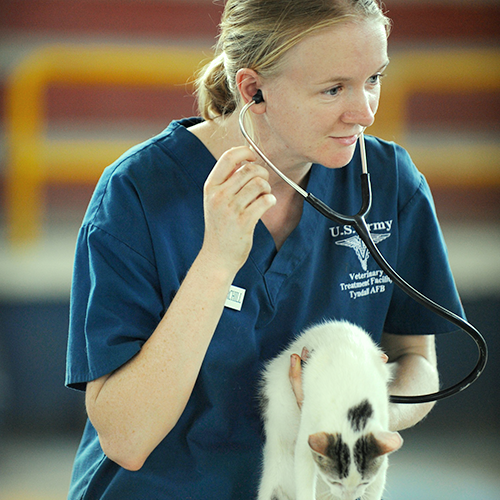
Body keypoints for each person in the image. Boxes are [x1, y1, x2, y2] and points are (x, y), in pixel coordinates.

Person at [65, 0, 464, 498]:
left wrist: (362, 418)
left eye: (375, 79)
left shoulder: (387, 182)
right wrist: (217, 261)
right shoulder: (139, 193)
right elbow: (126, 438)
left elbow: (415, 358)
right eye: (333, 88)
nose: (363, 111)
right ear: (253, 90)